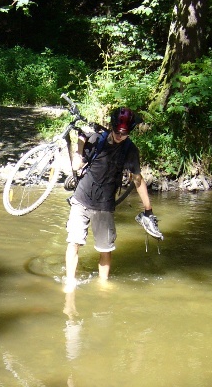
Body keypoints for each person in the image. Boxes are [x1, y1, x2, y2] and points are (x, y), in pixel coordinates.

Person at [64, 107, 162, 292]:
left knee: (105, 248)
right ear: (112, 126)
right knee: (74, 242)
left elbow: (137, 180)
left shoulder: (130, 150)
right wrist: (80, 143)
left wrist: (148, 210)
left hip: (104, 205)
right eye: (117, 132)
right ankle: (69, 284)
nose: (119, 136)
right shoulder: (95, 139)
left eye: (124, 134)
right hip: (82, 198)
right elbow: (77, 165)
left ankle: (103, 286)